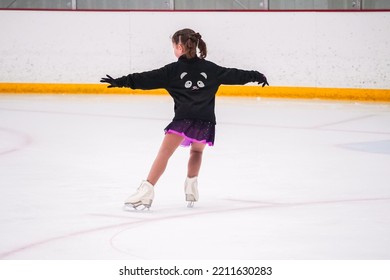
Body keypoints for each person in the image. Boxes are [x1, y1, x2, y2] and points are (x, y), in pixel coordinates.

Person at [100, 28, 269, 210]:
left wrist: (121, 81)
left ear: (179, 46)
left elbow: (146, 79)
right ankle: (191, 189)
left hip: (184, 121)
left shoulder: (172, 71)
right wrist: (256, 75)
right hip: (206, 122)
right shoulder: (211, 69)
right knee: (196, 152)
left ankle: (145, 192)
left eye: (173, 46)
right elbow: (236, 75)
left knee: (164, 154)